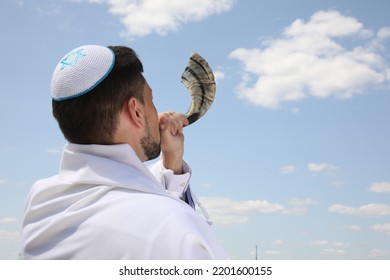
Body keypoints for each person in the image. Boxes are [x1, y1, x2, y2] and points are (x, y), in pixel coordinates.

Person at [21, 45, 228, 259]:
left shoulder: (40, 200)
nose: (157, 112)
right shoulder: (177, 229)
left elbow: (130, 208)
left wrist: (172, 164)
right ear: (136, 111)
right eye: (151, 100)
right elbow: (155, 221)